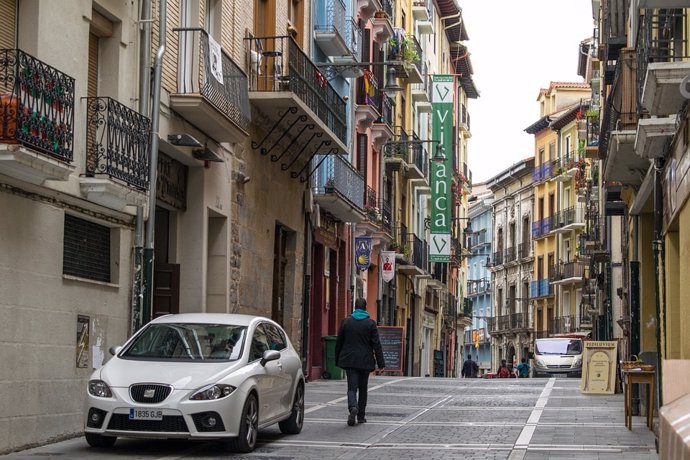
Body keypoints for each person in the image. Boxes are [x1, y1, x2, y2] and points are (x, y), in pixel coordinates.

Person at [335, 298, 385, 426]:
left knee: (352, 388)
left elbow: (339, 342)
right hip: (365, 361)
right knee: (363, 388)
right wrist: (381, 364)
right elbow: (376, 344)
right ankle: (361, 416)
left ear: (355, 307)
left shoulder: (346, 322)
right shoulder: (371, 324)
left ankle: (353, 407)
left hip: (350, 360)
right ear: (365, 308)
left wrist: (337, 359)